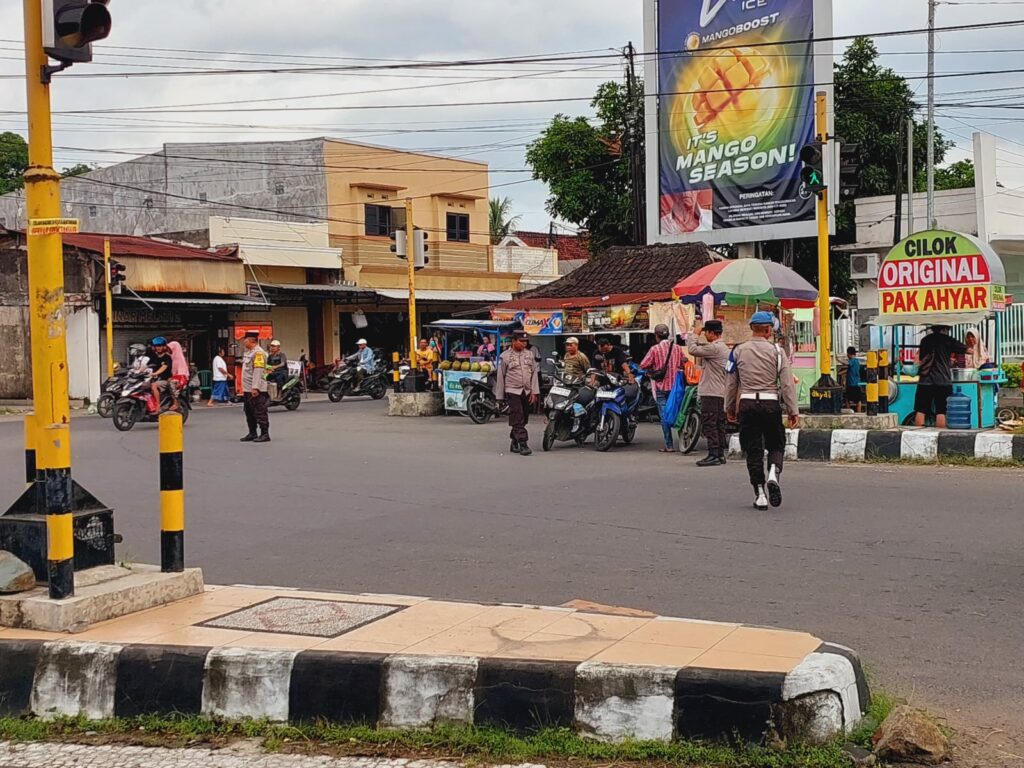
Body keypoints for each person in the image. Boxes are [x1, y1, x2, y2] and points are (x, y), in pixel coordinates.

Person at [726, 311, 799, 511]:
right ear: (768, 330)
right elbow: (786, 385)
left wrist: (729, 408)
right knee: (776, 444)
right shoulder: (777, 351)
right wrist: (793, 410)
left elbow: (731, 383)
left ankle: (760, 494)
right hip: (770, 404)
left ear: (752, 328)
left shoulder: (737, 351)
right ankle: (774, 473)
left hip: (747, 405)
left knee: (753, 450)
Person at [688, 318, 730, 466]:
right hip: (720, 392)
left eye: (706, 332)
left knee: (710, 424)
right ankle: (718, 454)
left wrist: (694, 334)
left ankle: (714, 454)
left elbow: (692, 350)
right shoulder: (723, 348)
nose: (704, 335)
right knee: (718, 424)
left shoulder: (714, 348)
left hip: (712, 393)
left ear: (712, 333)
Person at [640, 324, 687, 453]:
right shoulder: (677, 348)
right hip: (676, 387)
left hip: (661, 386)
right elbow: (684, 362)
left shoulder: (655, 349)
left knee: (664, 415)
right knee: (678, 413)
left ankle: (669, 445)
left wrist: (652, 369)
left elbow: (643, 364)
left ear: (657, 336)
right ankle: (684, 441)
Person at [494, 330, 540, 456]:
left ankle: (514, 440)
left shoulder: (529, 354)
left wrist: (534, 392)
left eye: (525, 341)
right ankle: (523, 443)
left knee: (524, 417)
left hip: (526, 390)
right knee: (517, 416)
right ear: (514, 341)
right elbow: (500, 377)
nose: (524, 344)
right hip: (512, 390)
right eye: (521, 341)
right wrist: (500, 397)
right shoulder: (505, 356)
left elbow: (534, 374)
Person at [914, 325, 967, 428]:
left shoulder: (925, 340)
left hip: (925, 381)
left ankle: (917, 434)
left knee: (921, 410)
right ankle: (938, 435)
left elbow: (921, 358)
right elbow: (967, 350)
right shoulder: (947, 340)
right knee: (941, 411)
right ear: (944, 329)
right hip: (943, 381)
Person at [239, 330, 270, 443]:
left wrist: (255, 387)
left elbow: (258, 371)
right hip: (248, 388)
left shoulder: (258, 353)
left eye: (245, 339)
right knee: (249, 411)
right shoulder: (249, 352)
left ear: (251, 340)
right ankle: (252, 432)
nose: (244, 341)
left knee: (259, 411)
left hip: (256, 389)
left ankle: (264, 433)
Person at [148, 337, 173, 411]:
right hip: (155, 378)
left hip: (165, 379)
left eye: (160, 346)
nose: (158, 348)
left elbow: (164, 366)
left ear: (164, 347)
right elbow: (147, 365)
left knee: (154, 385)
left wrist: (155, 373)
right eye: (157, 346)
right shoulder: (153, 357)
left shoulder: (167, 357)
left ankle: (158, 406)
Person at [165, 340, 190, 412]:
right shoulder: (172, 357)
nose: (169, 350)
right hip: (176, 377)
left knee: (171, 383)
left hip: (181, 378)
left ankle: (175, 402)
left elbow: (181, 373)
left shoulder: (179, 358)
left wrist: (172, 378)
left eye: (170, 349)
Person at [844, 347, 864, 413]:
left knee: (847, 399)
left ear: (849, 354)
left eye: (847, 354)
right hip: (857, 383)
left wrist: (838, 360)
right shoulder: (857, 361)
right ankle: (859, 413)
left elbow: (847, 364)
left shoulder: (852, 360)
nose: (847, 355)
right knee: (858, 400)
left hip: (851, 384)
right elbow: (850, 370)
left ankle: (848, 412)